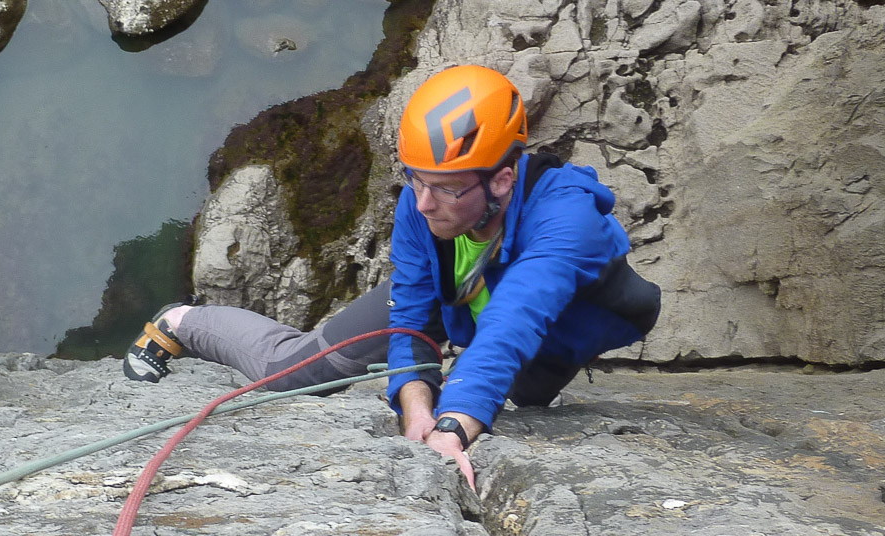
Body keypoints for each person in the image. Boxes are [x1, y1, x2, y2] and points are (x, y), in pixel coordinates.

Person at [124, 65, 661, 486]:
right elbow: (411, 316)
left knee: (526, 396)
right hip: (464, 306)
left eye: (446, 188)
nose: (422, 204)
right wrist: (418, 404)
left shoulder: (566, 219)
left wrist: (455, 421)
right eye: (415, 180)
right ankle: (182, 323)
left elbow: (515, 319)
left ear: (501, 180)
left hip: (542, 324)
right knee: (291, 371)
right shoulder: (422, 202)